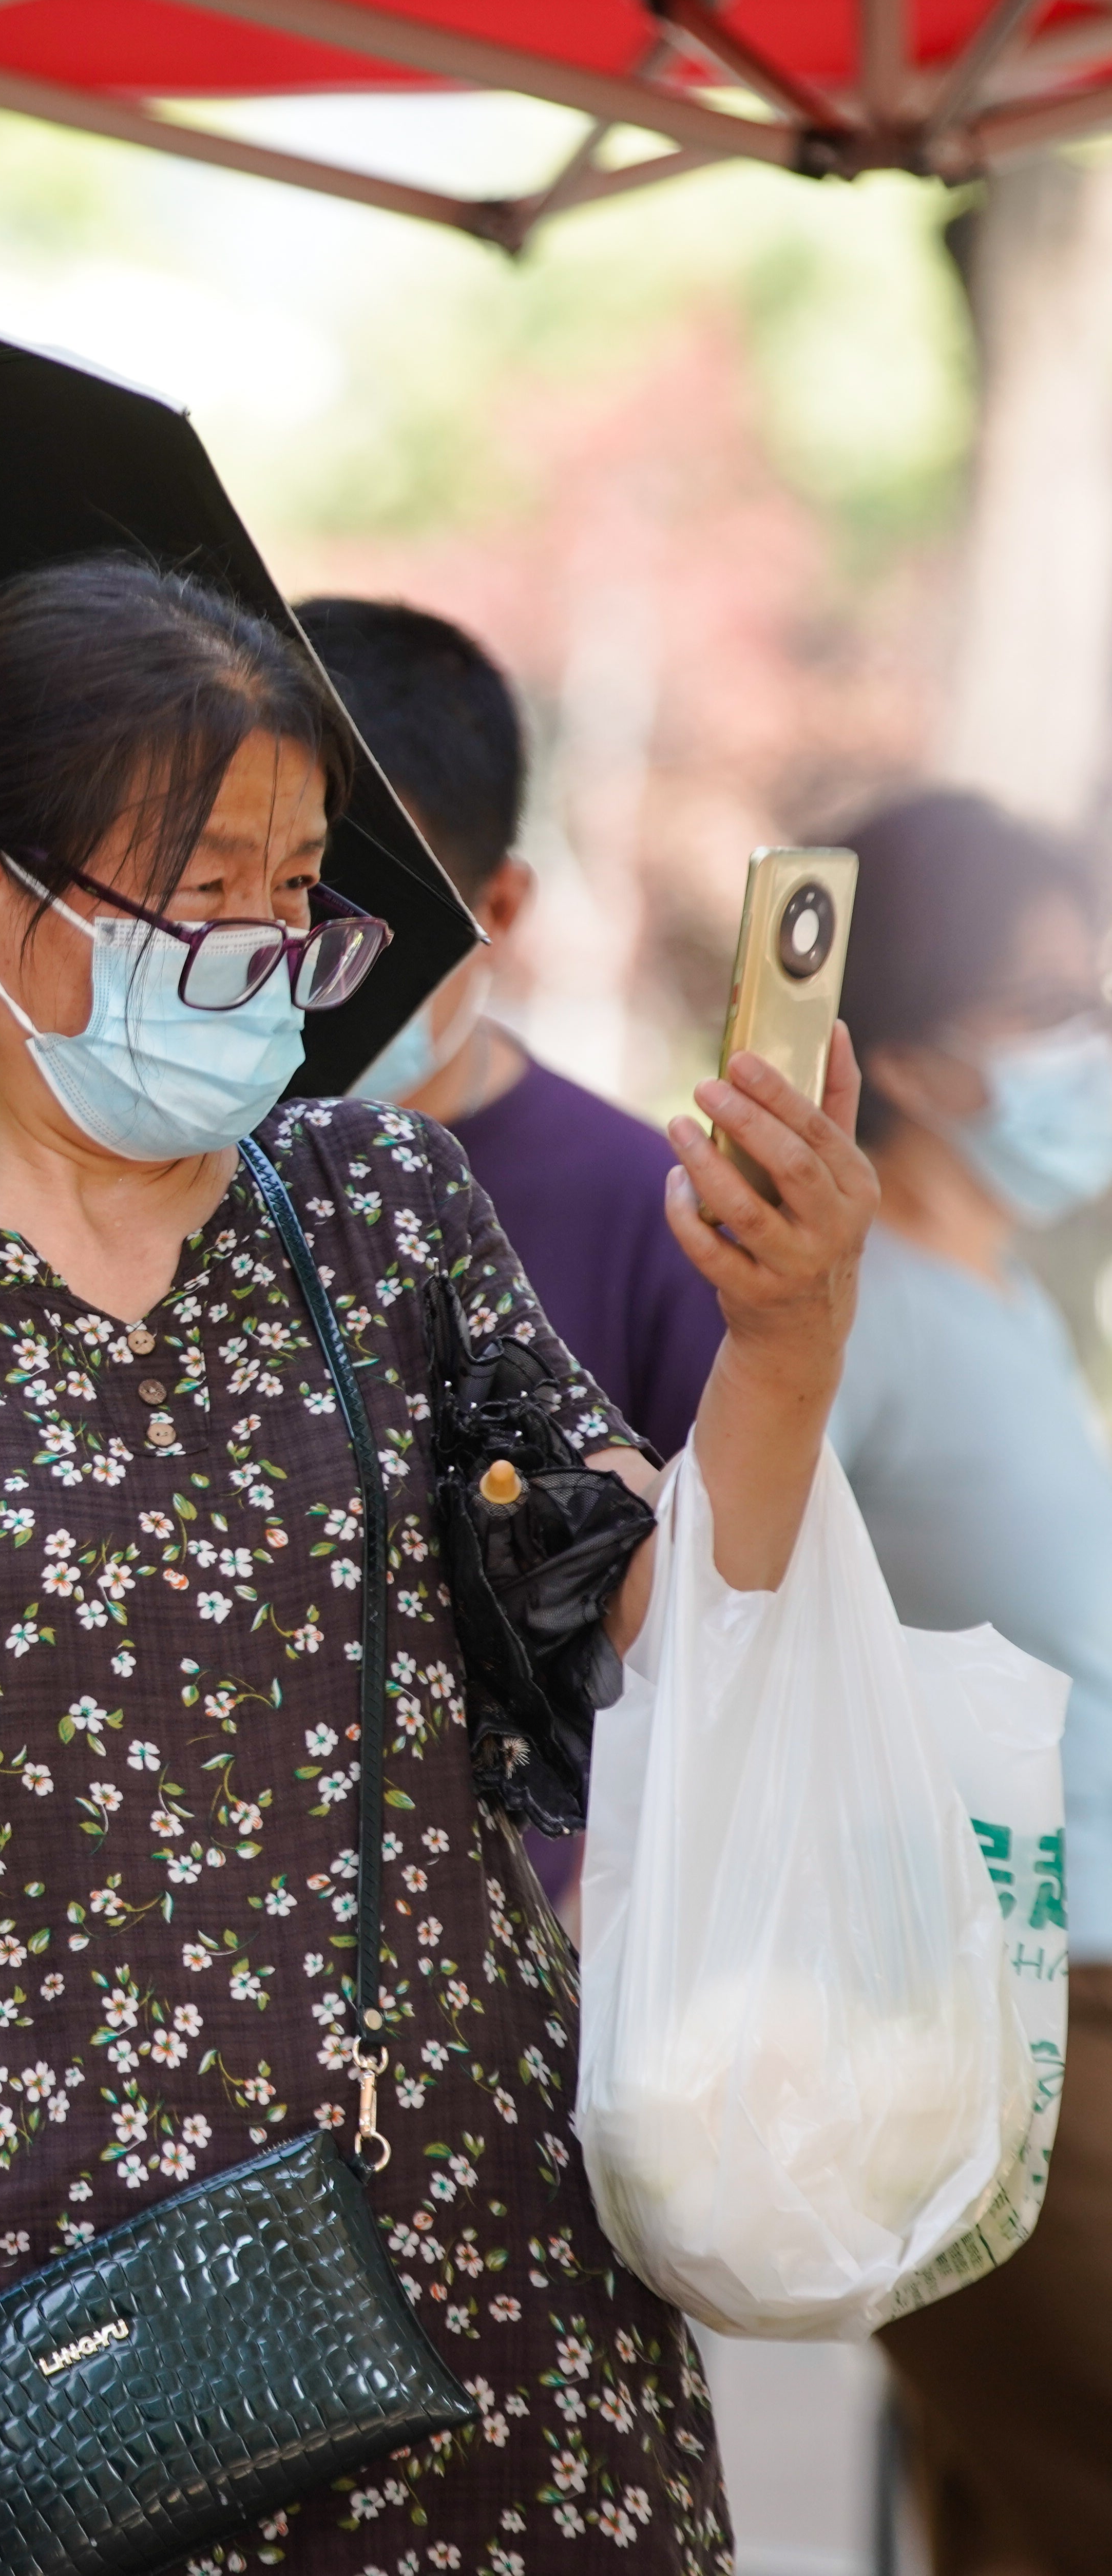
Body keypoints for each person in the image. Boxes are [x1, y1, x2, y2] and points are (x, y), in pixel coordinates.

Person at [0, 556, 872, 2576]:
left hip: (481, 2313)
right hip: (10, 2364)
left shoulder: (379, 1205)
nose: (259, 947)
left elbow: (659, 1624)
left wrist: (780, 1342)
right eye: (198, 887)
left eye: (294, 888)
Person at [822, 791, 1112, 2572]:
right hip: (997, 2030)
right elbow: (720, 1608)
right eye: (1041, 1011)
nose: (1084, 1052)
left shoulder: (1006, 1293)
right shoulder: (845, 1307)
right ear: (911, 1053)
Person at [298, 597, 727, 1457]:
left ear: (496, 907)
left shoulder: (654, 1216)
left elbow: (717, 1575)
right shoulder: (170, 1162)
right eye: (266, 898)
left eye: (365, 923)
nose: (303, 962)